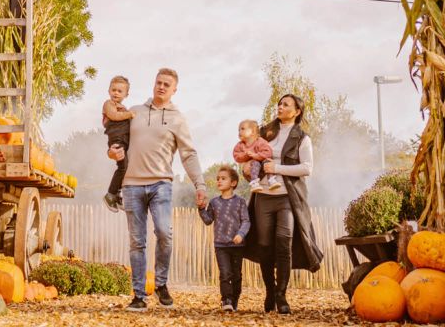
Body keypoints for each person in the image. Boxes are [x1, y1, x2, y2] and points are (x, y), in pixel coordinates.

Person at [106, 68, 206, 312]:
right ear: (154, 84)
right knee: (136, 242)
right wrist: (112, 152)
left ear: (174, 90)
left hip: (161, 183)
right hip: (131, 185)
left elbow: (188, 154)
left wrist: (200, 184)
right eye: (158, 82)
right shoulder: (135, 113)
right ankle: (139, 295)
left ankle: (161, 283)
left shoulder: (177, 119)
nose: (161, 86)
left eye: (167, 84)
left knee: (164, 232)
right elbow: (116, 137)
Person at [244, 93, 323, 314]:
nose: (280, 106)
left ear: (297, 111)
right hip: (264, 197)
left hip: (288, 197)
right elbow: (249, 154)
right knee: (265, 245)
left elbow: (307, 168)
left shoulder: (302, 138)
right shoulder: (265, 132)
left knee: (284, 242)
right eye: (279, 103)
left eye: (286, 104)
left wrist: (277, 169)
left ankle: (282, 295)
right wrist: (247, 167)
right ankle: (270, 291)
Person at [198, 166, 250, 312]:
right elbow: (208, 220)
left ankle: (234, 300)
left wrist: (240, 234)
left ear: (233, 183)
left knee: (237, 275)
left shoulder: (240, 202)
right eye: (218, 179)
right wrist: (201, 208)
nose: (219, 181)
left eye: (223, 178)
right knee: (225, 273)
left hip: (237, 245)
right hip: (220, 245)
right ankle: (226, 300)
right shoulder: (214, 202)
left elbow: (246, 221)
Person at [101, 75, 134, 211]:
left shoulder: (124, 108)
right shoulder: (109, 104)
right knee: (122, 168)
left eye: (120, 91)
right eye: (113, 90)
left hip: (124, 140)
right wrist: (130, 114)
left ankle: (117, 193)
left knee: (126, 168)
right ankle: (110, 194)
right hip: (116, 139)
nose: (116, 93)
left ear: (126, 94)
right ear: (109, 91)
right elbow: (114, 116)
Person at [231, 119, 273, 185]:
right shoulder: (240, 145)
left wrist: (255, 155)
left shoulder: (260, 141)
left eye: (242, 129)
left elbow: (268, 152)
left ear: (252, 132)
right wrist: (246, 154)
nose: (239, 132)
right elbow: (236, 156)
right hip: (252, 169)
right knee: (255, 163)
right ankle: (255, 182)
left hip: (263, 166)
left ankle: (271, 179)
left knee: (267, 161)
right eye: (239, 130)